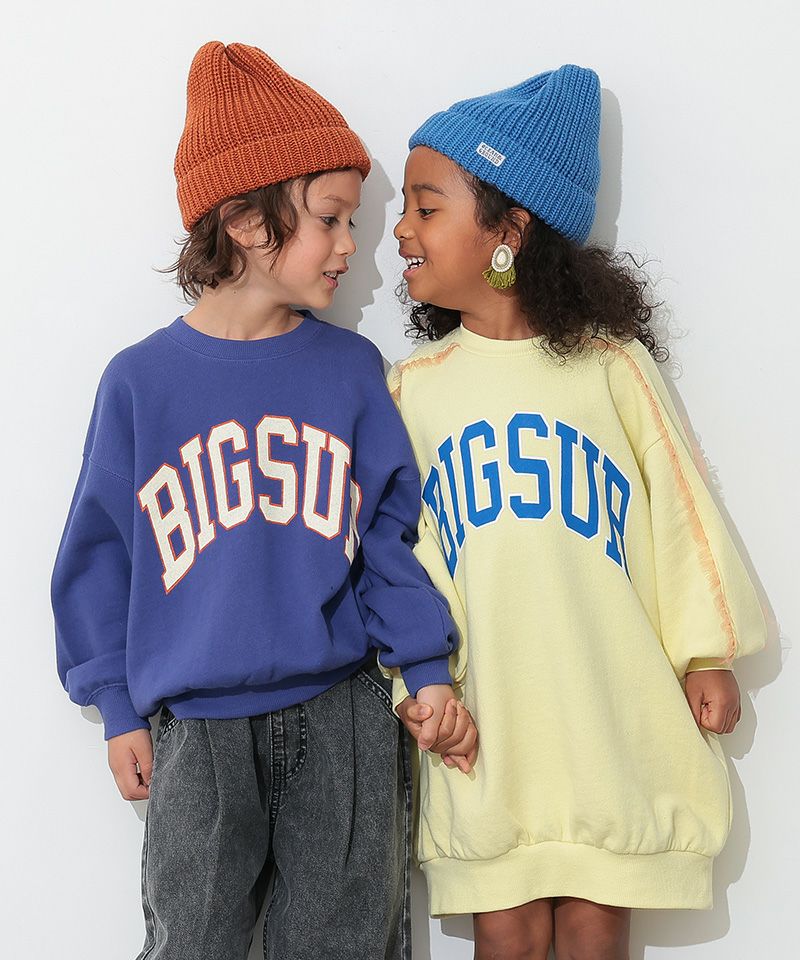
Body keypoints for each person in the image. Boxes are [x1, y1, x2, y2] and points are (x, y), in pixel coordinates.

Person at [51, 40, 462, 960]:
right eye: (330, 218)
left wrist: (426, 666)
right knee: (191, 944)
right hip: (195, 733)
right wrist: (116, 705)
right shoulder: (140, 384)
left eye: (353, 221)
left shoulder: (350, 371)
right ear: (243, 219)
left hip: (344, 717)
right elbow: (99, 555)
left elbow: (388, 537)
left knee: (346, 945)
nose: (351, 246)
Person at [388, 64, 767, 959]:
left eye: (427, 207)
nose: (400, 229)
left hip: (606, 707)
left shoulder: (611, 366)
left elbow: (680, 510)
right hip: (485, 716)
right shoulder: (412, 390)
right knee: (506, 927)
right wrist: (417, 683)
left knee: (597, 923)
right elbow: (398, 556)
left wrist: (707, 650)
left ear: (510, 230)